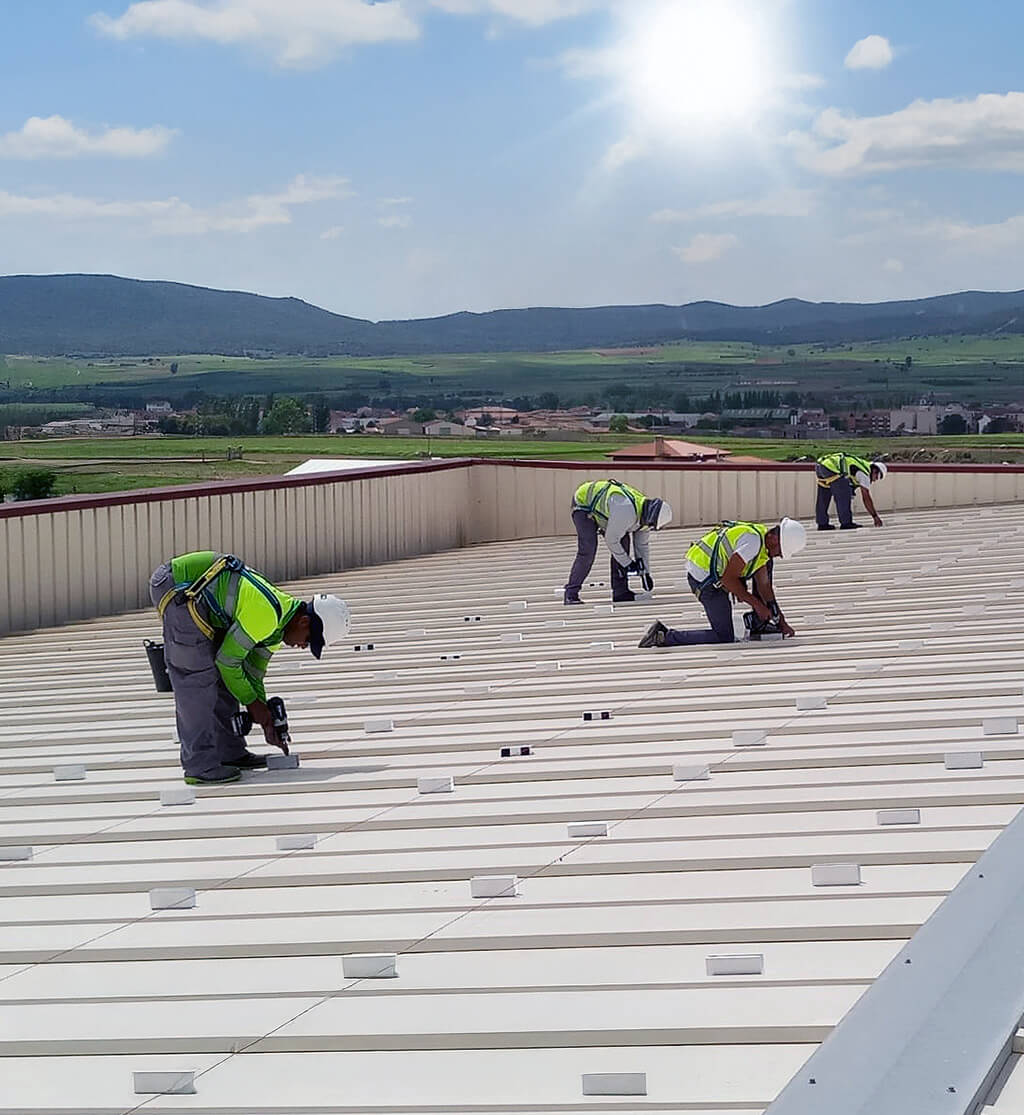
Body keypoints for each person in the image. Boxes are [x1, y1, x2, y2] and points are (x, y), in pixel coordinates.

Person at [149, 551, 350, 785]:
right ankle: (199, 765)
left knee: (228, 677)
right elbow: (227, 661)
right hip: (178, 587)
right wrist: (254, 705)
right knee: (197, 679)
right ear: (304, 621)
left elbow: (252, 674)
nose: (303, 646)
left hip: (200, 595)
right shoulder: (266, 615)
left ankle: (230, 752)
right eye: (308, 640)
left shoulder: (277, 629)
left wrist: (265, 716)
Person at [638, 517, 807, 648]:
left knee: (767, 565)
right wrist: (757, 605)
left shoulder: (763, 543)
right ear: (772, 537)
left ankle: (758, 624)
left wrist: (781, 620)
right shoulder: (753, 542)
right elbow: (728, 579)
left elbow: (764, 586)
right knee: (723, 636)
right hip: (704, 580)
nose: (779, 555)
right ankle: (663, 636)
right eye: (780, 551)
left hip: (717, 575)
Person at [564, 479, 673, 605]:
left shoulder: (646, 518)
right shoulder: (626, 511)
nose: (650, 528)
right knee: (587, 550)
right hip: (584, 505)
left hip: (606, 512)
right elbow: (611, 540)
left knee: (623, 543)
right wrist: (627, 563)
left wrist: (645, 573)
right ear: (650, 518)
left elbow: (641, 546)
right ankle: (571, 594)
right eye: (651, 526)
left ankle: (620, 592)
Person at [815, 453, 887, 530]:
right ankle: (846, 523)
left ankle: (822, 523)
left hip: (820, 466)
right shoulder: (865, 473)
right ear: (875, 470)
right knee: (844, 494)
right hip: (833, 469)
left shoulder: (860, 465)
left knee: (823, 496)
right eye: (877, 477)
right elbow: (866, 498)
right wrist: (875, 516)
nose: (875, 480)